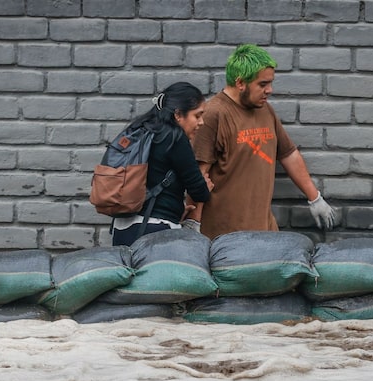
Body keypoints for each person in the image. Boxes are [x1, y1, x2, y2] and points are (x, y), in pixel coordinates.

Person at [185, 44, 335, 239]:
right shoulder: (215, 114)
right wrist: (193, 223)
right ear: (240, 83)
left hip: (264, 230)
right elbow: (199, 174)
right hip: (224, 235)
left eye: (270, 83)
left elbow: (288, 154)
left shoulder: (264, 109)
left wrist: (315, 198)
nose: (269, 90)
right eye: (262, 84)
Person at [111, 82, 213, 246]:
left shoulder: (138, 128)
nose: (201, 122)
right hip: (155, 230)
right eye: (197, 115)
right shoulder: (175, 137)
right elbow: (199, 191)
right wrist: (204, 186)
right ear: (178, 114)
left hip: (121, 228)